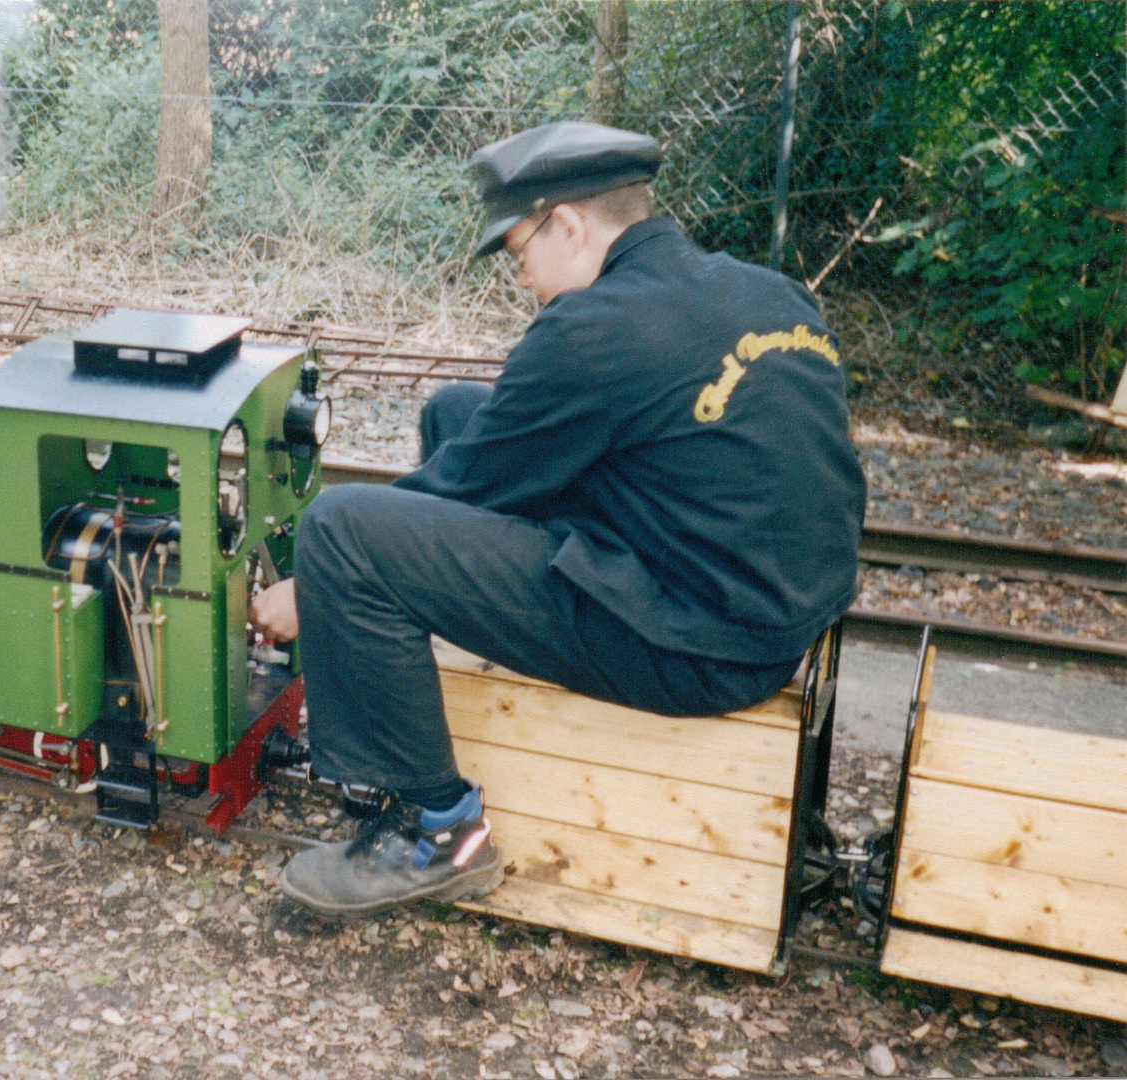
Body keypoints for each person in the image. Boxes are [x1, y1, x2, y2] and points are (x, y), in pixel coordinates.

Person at [250, 120, 867, 918]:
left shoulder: (593, 330)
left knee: (340, 531)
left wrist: (314, 592)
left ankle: (437, 832)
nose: (520, 279)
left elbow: (456, 491)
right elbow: (485, 461)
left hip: (701, 649)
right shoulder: (767, 291)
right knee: (456, 413)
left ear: (568, 225)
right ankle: (412, 663)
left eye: (517, 253)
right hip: (765, 606)